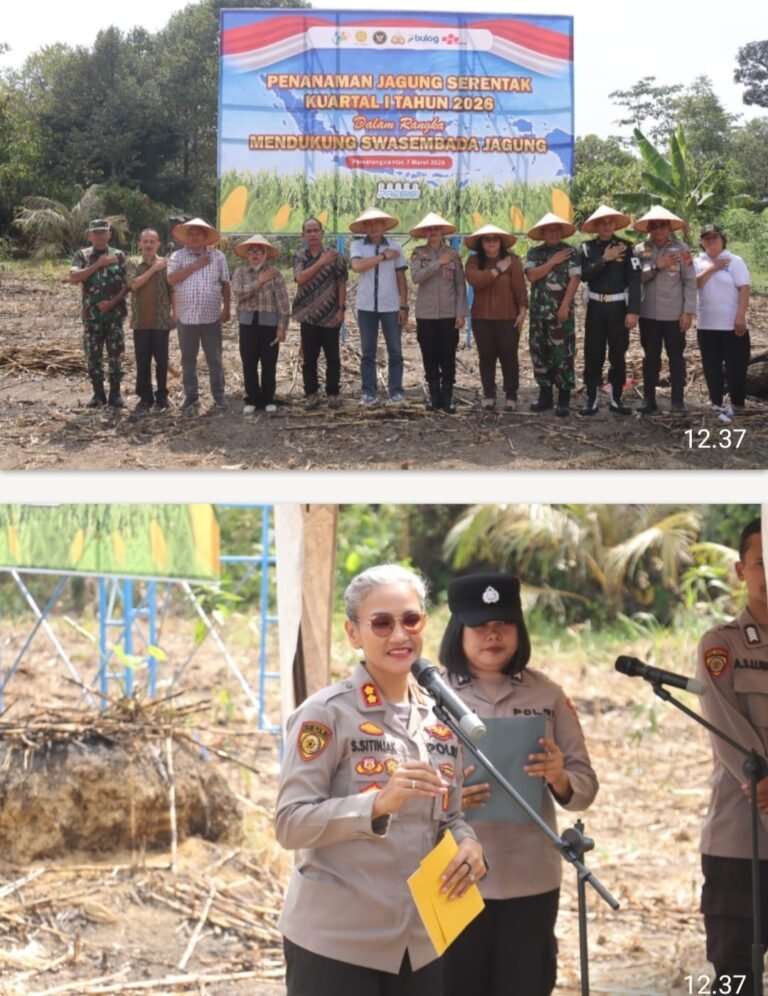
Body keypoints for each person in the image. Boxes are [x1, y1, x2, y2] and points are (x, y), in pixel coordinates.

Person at [276, 563, 484, 996]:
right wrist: (375, 805)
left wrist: (468, 843)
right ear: (354, 633)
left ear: (424, 623)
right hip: (338, 945)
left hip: (421, 942)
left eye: (410, 620)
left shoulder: (443, 718)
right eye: (381, 623)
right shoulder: (326, 714)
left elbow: (449, 817)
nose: (399, 635)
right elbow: (290, 823)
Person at [439, 572, 599, 996]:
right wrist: (448, 797)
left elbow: (585, 786)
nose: (493, 635)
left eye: (504, 624)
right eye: (480, 625)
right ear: (458, 630)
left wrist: (559, 776)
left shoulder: (546, 695)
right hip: (453, 876)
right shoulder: (429, 697)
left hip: (530, 877)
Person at [696, 517, 768, 996]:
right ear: (741, 571)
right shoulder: (721, 645)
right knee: (736, 979)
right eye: (763, 562)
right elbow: (727, 729)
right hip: (740, 840)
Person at [632, 206, 697, 414]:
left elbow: (690, 281)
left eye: (662, 225)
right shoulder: (640, 250)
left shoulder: (682, 249)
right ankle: (649, 400)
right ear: (648, 228)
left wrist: (688, 311)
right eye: (654, 225)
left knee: (676, 357)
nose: (658, 229)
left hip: (674, 315)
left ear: (669, 227)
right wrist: (657, 266)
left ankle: (677, 400)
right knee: (650, 357)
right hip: (648, 314)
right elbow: (635, 279)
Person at [578, 204, 641, 416]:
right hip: (595, 307)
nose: (606, 226)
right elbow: (584, 275)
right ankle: (592, 398)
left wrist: (633, 311)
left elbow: (634, 279)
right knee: (593, 352)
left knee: (618, 353)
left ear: (614, 225)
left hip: (618, 308)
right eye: (602, 223)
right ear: (596, 226)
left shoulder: (627, 246)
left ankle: (616, 398)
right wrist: (605, 258)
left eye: (610, 223)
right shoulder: (587, 248)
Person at [166, 217, 231, 411]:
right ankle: (191, 396)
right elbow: (171, 279)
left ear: (206, 237)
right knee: (188, 359)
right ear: (187, 238)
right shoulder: (178, 256)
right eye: (191, 234)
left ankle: (219, 395)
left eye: (199, 234)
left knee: (215, 358)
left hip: (211, 317)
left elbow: (225, 284)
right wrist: (195, 266)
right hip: (186, 317)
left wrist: (226, 308)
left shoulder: (218, 256)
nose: (195, 237)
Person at [349, 208, 409, 406]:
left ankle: (396, 391)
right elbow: (357, 267)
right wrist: (383, 257)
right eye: (369, 223)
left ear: (384, 225)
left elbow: (401, 278)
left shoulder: (396, 247)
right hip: (366, 306)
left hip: (391, 305)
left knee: (395, 350)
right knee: (367, 352)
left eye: (378, 223)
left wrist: (404, 306)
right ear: (364, 227)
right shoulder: (357, 246)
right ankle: (368, 392)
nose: (374, 227)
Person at [409, 212, 468, 414]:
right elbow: (416, 277)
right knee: (429, 354)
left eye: (436, 228)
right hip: (426, 314)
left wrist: (461, 313)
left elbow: (460, 285)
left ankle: (448, 396)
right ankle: (434, 396)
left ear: (441, 231)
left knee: (448, 355)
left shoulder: (453, 254)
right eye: (429, 229)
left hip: (449, 313)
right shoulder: (418, 253)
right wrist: (438, 263)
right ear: (425, 232)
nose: (433, 232)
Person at [464, 224, 528, 412]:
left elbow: (520, 288)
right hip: (481, 318)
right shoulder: (474, 261)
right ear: (481, 243)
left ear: (501, 242)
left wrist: (523, 310)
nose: (491, 243)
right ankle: (489, 394)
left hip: (508, 317)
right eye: (487, 239)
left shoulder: (513, 261)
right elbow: (475, 280)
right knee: (486, 356)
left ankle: (511, 394)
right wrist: (497, 270)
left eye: (495, 239)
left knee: (509, 356)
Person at [524, 212, 582, 417]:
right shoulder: (534, 253)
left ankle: (564, 398)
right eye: (550, 229)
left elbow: (575, 279)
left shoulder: (571, 252)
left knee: (563, 354)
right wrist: (552, 262)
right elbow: (531, 276)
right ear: (543, 232)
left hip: (561, 313)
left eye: (557, 229)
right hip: (539, 314)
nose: (554, 233)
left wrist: (565, 305)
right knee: (540, 353)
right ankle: (545, 395)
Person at [69, 219, 129, 409]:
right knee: (93, 356)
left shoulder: (119, 255)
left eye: (103, 232)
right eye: (96, 233)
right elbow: (73, 277)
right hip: (92, 317)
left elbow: (128, 285)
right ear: (89, 235)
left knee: (115, 354)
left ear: (110, 234)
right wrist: (98, 264)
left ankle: (115, 394)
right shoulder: (82, 255)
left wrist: (111, 303)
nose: (100, 236)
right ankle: (98, 395)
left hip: (114, 316)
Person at [693, 223, 751, 417]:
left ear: (722, 239)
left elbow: (744, 288)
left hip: (732, 323)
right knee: (711, 365)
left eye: (714, 237)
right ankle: (715, 401)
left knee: (736, 365)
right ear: (702, 242)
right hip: (707, 323)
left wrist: (740, 315)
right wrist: (713, 267)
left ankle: (738, 403)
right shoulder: (697, 262)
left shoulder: (735, 261)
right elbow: (695, 284)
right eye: (706, 238)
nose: (711, 241)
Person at [292, 217, 348, 410]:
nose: (313, 234)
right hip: (308, 315)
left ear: (322, 233)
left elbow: (342, 282)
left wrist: (341, 309)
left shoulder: (335, 255)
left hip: (331, 314)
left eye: (316, 230)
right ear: (303, 235)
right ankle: (312, 394)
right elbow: (300, 278)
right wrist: (320, 263)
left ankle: (333, 393)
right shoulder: (300, 256)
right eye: (309, 231)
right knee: (309, 358)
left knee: (333, 357)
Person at [231, 234, 290, 414]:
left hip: (269, 324)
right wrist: (259, 282)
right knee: (248, 360)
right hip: (247, 323)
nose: (255, 254)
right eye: (252, 251)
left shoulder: (275, 274)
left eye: (259, 251)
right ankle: (252, 398)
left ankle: (268, 398)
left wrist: (282, 326)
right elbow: (238, 294)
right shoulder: (240, 272)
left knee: (269, 361)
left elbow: (282, 302)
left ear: (265, 255)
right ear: (247, 255)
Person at [127, 229, 173, 413]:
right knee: (142, 361)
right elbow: (134, 284)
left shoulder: (167, 264)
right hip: (141, 322)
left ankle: (162, 395)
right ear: (139, 244)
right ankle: (145, 397)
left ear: (158, 244)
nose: (148, 245)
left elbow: (172, 289)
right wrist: (154, 269)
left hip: (161, 321)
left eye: (151, 242)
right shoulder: (132, 263)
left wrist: (174, 314)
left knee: (162, 361)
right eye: (145, 241)